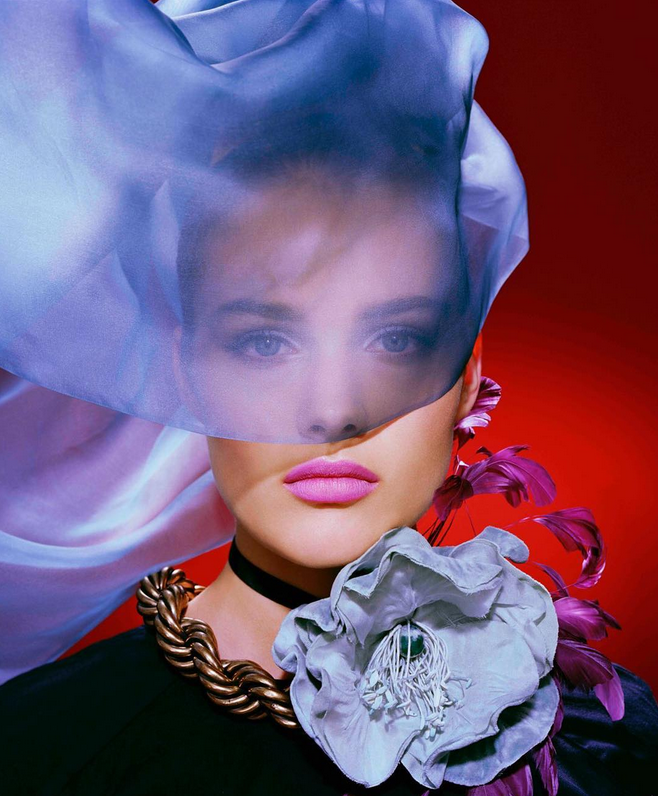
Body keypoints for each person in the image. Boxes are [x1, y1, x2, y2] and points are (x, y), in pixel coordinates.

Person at [0, 1, 657, 795]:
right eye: (265, 343)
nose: (334, 412)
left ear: (468, 374)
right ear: (186, 374)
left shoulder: (608, 743)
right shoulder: (40, 753)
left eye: (397, 340)